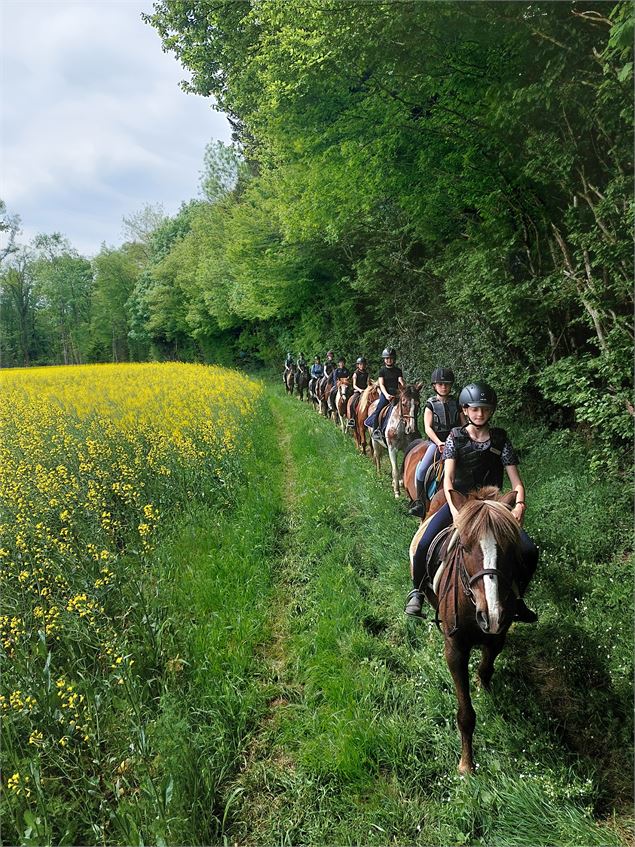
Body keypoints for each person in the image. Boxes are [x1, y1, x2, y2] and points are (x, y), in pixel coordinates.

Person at [404, 382, 538, 623]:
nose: (480, 414)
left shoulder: (500, 440)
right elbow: (448, 480)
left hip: (493, 505)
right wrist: (457, 512)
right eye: (474, 409)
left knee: (529, 551)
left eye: (485, 409)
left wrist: (519, 505)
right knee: (424, 543)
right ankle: (417, 591)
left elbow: (516, 483)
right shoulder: (456, 438)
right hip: (462, 502)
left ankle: (517, 598)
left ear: (491, 411)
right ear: (465, 410)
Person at [409, 368, 464, 517]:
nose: (444, 387)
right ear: (434, 386)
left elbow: (463, 424)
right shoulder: (430, 404)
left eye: (446, 384)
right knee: (421, 470)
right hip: (436, 442)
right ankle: (420, 502)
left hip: (456, 442)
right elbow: (427, 427)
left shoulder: (456, 403)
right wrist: (439, 442)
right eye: (440, 384)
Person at [364, 347, 405, 441]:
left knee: (407, 408)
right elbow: (381, 384)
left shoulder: (398, 370)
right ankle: (376, 430)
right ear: (384, 360)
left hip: (397, 393)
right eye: (387, 358)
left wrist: (403, 386)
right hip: (385, 393)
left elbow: (400, 380)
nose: (389, 360)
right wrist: (386, 395)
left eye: (390, 358)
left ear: (394, 359)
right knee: (378, 409)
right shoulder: (382, 371)